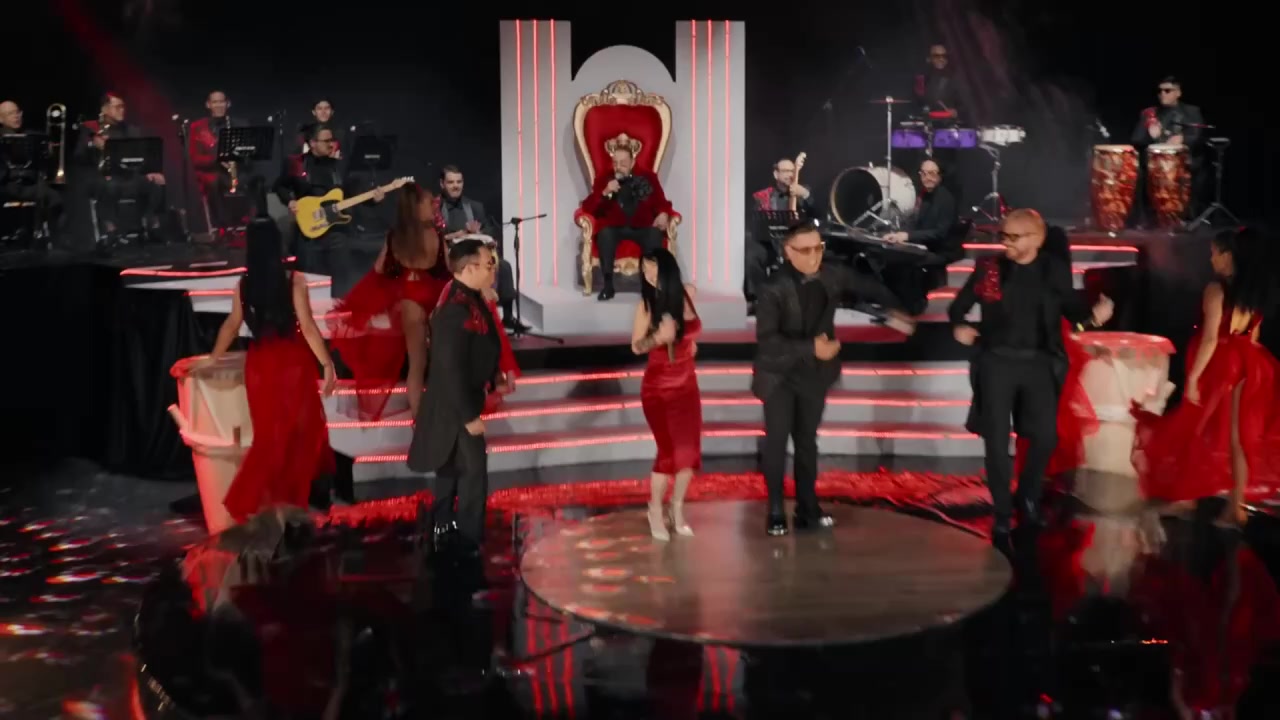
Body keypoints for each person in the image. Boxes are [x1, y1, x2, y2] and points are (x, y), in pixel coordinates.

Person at [948, 209, 1113, 545]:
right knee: (996, 442)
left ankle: (1027, 496)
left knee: (1046, 437)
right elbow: (957, 308)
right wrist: (960, 326)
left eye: (1013, 237)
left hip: (1039, 363)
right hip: (996, 363)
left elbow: (1072, 312)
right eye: (1003, 236)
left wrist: (1095, 317)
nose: (1005, 243)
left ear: (1036, 239)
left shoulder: (1053, 270)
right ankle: (1002, 513)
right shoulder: (990, 268)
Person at [753, 222, 916, 536]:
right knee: (776, 441)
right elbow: (768, 342)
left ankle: (807, 507)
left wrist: (896, 309)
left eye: (818, 248)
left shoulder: (832, 274)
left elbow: (868, 287)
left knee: (807, 442)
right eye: (805, 250)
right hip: (778, 375)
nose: (814, 256)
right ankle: (775, 509)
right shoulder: (772, 287)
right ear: (788, 252)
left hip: (815, 373)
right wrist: (810, 347)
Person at [1132, 227, 1280, 527]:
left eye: (1214, 253)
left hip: (1222, 364)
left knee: (1196, 427)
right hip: (1252, 364)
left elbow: (1211, 338)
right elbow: (1254, 336)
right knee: (1238, 439)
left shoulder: (1217, 290)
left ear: (1228, 255)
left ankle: (1187, 499)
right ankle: (1235, 507)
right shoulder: (1253, 293)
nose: (1211, 259)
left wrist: (1193, 378)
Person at [208, 219, 336, 521]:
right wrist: (327, 363)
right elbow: (307, 326)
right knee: (300, 435)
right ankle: (289, 503)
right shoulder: (294, 281)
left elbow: (231, 325)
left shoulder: (244, 285)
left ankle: (265, 503)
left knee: (269, 438)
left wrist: (213, 358)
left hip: (260, 367)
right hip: (292, 365)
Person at [407, 239, 502, 555]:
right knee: (473, 470)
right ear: (470, 268)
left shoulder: (471, 298)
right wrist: (469, 416)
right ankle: (467, 539)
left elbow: (478, 345)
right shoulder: (454, 309)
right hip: (454, 405)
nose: (493, 270)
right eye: (489, 264)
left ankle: (442, 525)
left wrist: (493, 374)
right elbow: (449, 367)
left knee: (450, 467)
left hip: (460, 401)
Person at [329, 184, 451, 420]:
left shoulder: (397, 237)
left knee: (417, 364)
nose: (434, 207)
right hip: (435, 298)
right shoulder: (436, 234)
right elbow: (448, 268)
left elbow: (379, 269)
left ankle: (419, 420)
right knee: (438, 361)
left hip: (409, 301)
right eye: (429, 203)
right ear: (417, 207)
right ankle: (437, 417)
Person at [1012, 226, 1099, 481]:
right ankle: (1048, 472)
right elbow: (1076, 324)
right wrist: (1094, 320)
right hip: (1054, 352)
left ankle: (1034, 474)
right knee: (1055, 414)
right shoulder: (1057, 279)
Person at [631, 247, 702, 540]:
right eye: (644, 270)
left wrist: (690, 345)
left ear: (668, 268)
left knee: (689, 453)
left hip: (687, 387)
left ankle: (677, 508)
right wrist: (658, 338)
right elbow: (636, 346)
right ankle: (655, 510)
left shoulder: (688, 294)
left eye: (653, 267)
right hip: (659, 389)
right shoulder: (646, 306)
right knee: (669, 453)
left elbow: (691, 332)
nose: (648, 274)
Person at [274, 123, 382, 297]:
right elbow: (280, 186)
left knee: (341, 278)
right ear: (312, 143)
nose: (331, 144)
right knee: (310, 280)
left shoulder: (339, 166)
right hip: (309, 232)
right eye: (326, 141)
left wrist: (373, 199)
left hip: (336, 231)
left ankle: (339, 306)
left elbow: (353, 191)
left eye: (332, 140)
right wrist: (290, 201)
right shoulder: (296, 163)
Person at [579, 146, 673, 301]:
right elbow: (588, 207)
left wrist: (663, 213)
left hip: (642, 226)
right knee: (605, 234)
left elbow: (662, 202)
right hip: (615, 226)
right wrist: (605, 192)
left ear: (632, 162)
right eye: (615, 163)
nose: (618, 167)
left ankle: (650, 287)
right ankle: (608, 285)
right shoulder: (604, 178)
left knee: (654, 234)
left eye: (623, 163)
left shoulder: (648, 177)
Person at [74, 92, 168, 243]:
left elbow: (141, 157)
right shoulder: (91, 128)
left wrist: (151, 172)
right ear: (104, 109)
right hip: (102, 177)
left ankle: (153, 226)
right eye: (117, 107)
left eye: (123, 107)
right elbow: (79, 156)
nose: (122, 110)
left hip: (129, 176)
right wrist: (92, 145)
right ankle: (111, 230)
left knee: (158, 182)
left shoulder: (131, 130)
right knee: (109, 185)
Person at [435, 165, 521, 328]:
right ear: (442, 184)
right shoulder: (435, 208)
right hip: (451, 256)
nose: (456, 186)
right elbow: (433, 236)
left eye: (459, 182)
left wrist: (479, 232)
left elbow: (489, 230)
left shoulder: (474, 206)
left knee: (504, 266)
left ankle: (508, 317)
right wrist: (458, 234)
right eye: (451, 182)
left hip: (476, 254)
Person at [880, 159, 962, 314]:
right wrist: (898, 234)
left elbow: (940, 233)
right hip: (925, 244)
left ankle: (913, 305)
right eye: (923, 173)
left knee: (905, 262)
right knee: (890, 258)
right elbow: (915, 223)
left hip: (941, 249)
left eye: (932, 173)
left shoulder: (946, 199)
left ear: (940, 176)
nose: (927, 177)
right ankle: (894, 304)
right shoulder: (923, 195)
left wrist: (908, 236)